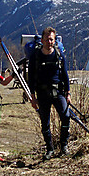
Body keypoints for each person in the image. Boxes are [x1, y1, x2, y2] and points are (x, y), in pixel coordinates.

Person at [28, 27, 71, 160]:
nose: (49, 42)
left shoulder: (59, 55)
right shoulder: (35, 56)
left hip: (58, 92)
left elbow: (65, 75)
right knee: (45, 122)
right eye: (47, 39)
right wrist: (33, 97)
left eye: (51, 39)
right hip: (42, 93)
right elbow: (31, 78)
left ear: (55, 40)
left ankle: (64, 146)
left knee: (66, 117)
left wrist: (68, 93)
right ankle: (50, 149)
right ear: (42, 40)